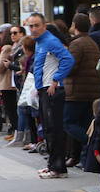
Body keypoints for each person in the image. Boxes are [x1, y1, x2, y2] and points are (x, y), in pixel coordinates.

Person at [28, 14, 75, 178]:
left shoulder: (50, 41)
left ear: (44, 26)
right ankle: (53, 165)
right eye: (31, 26)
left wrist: (56, 80)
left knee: (54, 129)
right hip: (44, 89)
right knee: (48, 129)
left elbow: (68, 60)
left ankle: (58, 167)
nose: (33, 29)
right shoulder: (40, 42)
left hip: (52, 90)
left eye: (36, 25)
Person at [64, 13, 100, 166]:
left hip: (77, 91)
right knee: (86, 124)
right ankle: (86, 157)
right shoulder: (92, 42)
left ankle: (92, 143)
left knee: (68, 122)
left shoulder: (77, 44)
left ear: (75, 26)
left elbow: (70, 67)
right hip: (91, 90)